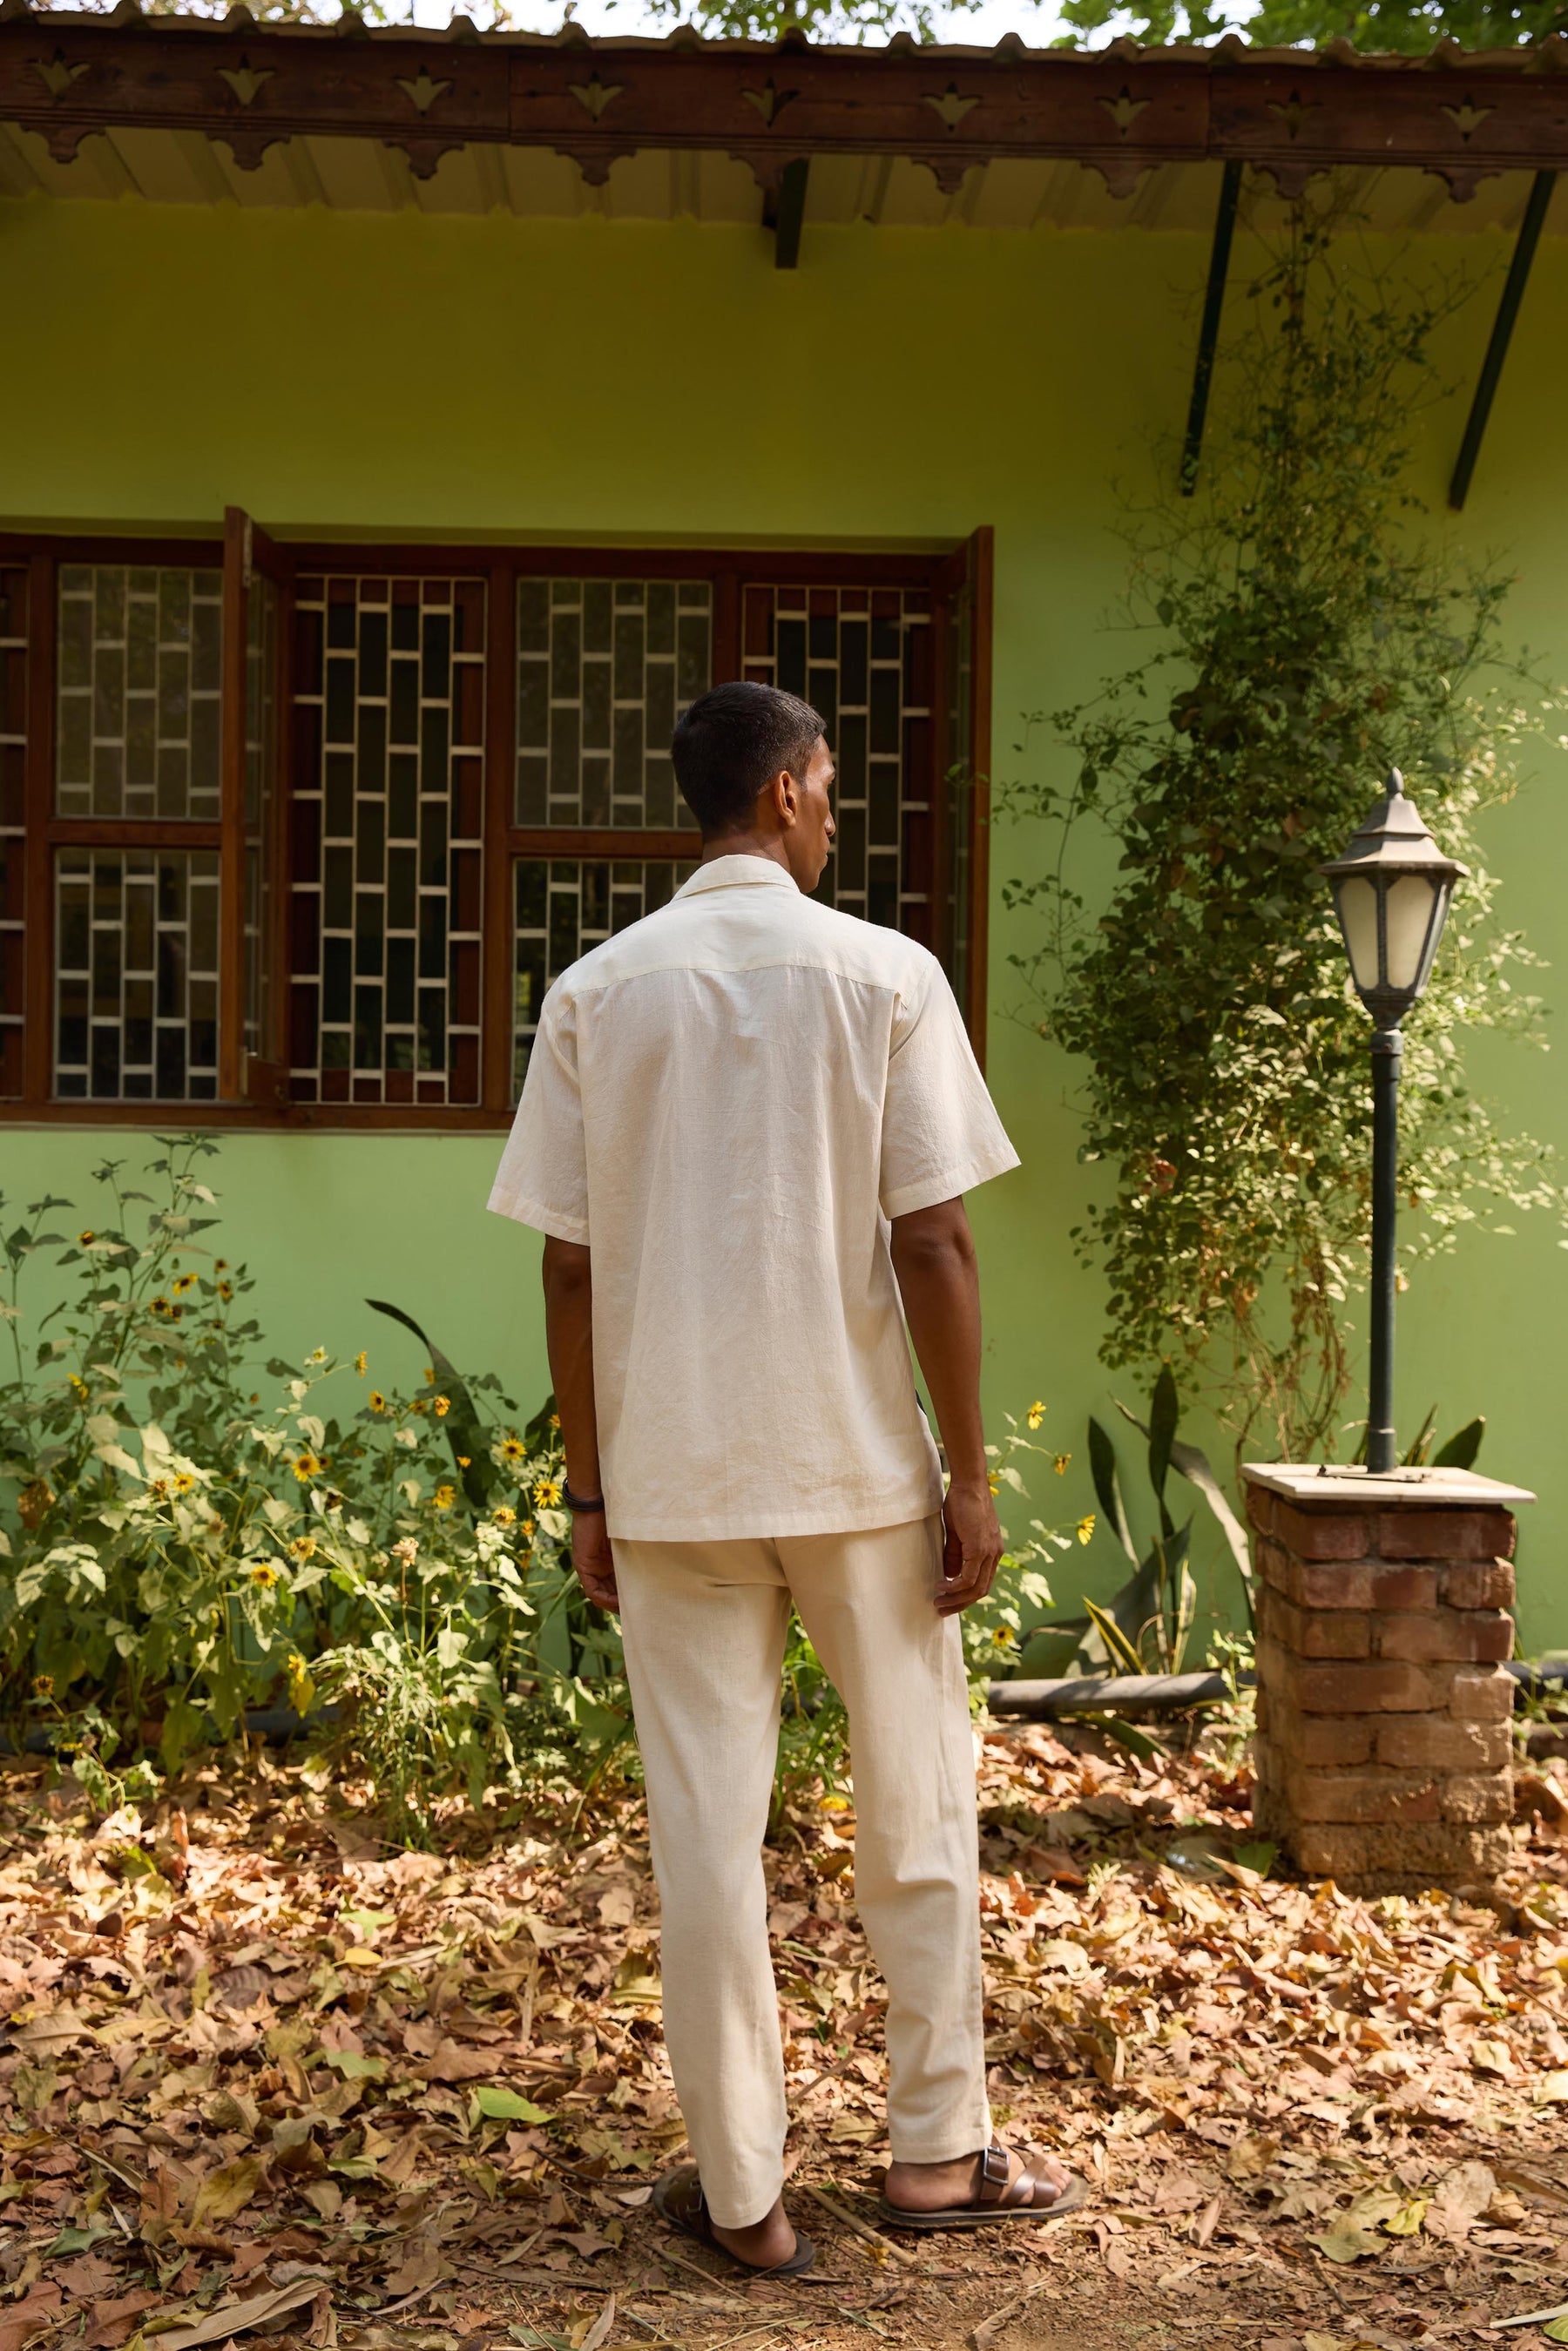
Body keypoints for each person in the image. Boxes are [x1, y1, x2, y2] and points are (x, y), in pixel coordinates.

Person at [488, 680, 1085, 2276]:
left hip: (676, 1486)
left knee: (706, 1839)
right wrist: (967, 1475)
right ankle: (936, 2155)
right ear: (788, 797)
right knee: (915, 1807)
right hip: (858, 1477)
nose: (834, 811)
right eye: (827, 787)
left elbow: (568, 1269)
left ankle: (746, 2201)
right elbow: (937, 1236)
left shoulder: (598, 996)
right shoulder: (885, 976)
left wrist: (592, 1497)